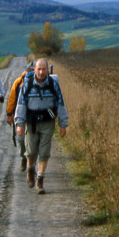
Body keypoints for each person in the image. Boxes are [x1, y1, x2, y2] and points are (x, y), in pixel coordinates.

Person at [15, 58, 68, 194]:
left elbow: (60, 104)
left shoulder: (53, 84)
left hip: (47, 123)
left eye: (44, 69)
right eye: (39, 69)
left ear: (47, 70)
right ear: (34, 69)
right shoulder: (27, 84)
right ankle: (30, 169)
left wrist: (63, 124)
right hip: (31, 123)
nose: (41, 72)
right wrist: (19, 124)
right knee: (31, 152)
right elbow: (21, 104)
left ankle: (40, 181)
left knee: (44, 152)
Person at [6, 62, 35, 172]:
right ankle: (23, 157)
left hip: (33, 118)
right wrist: (9, 114)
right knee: (21, 140)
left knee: (32, 142)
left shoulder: (40, 82)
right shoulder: (18, 82)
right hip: (20, 117)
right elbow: (12, 99)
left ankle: (30, 163)